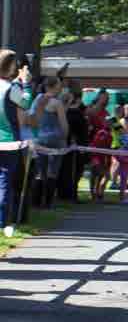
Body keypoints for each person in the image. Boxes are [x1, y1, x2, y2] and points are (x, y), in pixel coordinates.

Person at [0, 51, 47, 237]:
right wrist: (26, 83)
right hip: (8, 141)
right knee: (4, 182)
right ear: (11, 67)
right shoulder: (11, 88)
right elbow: (26, 103)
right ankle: (2, 223)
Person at [31, 77, 68, 209]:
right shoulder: (56, 103)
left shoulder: (37, 99)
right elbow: (64, 125)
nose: (61, 88)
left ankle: (35, 202)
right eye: (59, 85)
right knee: (52, 172)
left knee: (40, 172)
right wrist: (65, 137)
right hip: (54, 140)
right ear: (53, 87)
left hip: (39, 138)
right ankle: (47, 203)